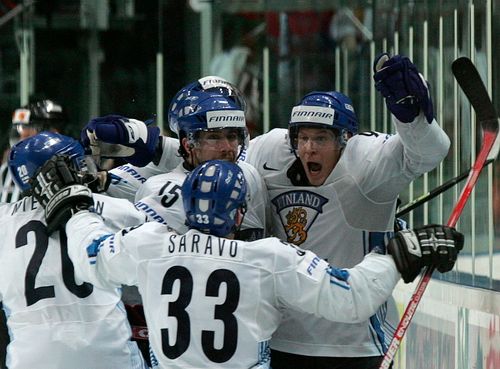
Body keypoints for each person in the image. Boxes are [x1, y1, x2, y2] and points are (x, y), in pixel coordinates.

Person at [77, 54, 449, 368]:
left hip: (342, 344)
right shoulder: (266, 241)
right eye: (302, 137)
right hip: (281, 338)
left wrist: (413, 121)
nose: (308, 148)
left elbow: (426, 153)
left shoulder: (354, 160)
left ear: (346, 138)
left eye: (320, 138)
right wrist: (396, 255)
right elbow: (351, 294)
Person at [30, 158, 463, 369]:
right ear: (240, 213)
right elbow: (353, 299)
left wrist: (74, 208)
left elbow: (94, 256)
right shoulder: (268, 258)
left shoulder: (150, 245)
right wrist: (395, 252)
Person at [0, 132, 148, 369]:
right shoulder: (110, 208)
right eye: (78, 165)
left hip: (30, 359)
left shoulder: (3, 221)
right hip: (110, 355)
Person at [83, 77, 268, 241]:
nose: (227, 148)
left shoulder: (250, 175)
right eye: (214, 137)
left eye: (232, 136)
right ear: (188, 144)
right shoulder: (159, 190)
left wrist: (154, 142)